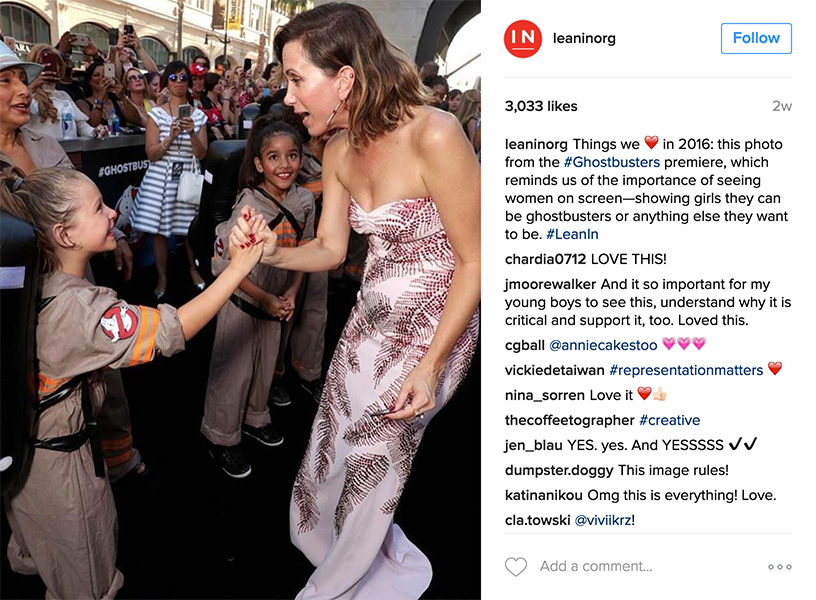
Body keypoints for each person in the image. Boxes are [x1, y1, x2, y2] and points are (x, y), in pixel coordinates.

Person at [238, 4, 481, 598]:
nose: (287, 95)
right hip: (370, 319)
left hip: (434, 333)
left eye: (297, 78)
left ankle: (341, 582)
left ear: (344, 78)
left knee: (376, 450)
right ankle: (325, 539)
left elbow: (478, 260)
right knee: (332, 431)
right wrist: (265, 252)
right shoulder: (340, 149)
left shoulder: (435, 134)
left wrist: (430, 368)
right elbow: (328, 249)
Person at [0, 165, 267, 599]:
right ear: (65, 235)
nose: (111, 212)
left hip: (25, 467)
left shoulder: (34, 283)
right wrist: (238, 269)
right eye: (98, 208)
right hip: (62, 474)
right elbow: (172, 329)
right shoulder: (77, 312)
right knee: (87, 576)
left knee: (41, 546)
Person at [201, 117, 314, 477]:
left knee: (265, 367)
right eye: (274, 158)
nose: (285, 165)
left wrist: (293, 291)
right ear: (259, 164)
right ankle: (221, 437)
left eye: (292, 156)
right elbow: (226, 268)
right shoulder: (247, 207)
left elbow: (306, 249)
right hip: (244, 300)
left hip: (277, 301)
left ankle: (254, 417)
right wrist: (263, 297)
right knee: (232, 371)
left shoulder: (303, 199)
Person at [128, 61, 209, 299]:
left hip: (187, 177)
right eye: (173, 78)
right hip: (160, 177)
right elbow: (151, 154)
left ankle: (194, 269)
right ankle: (162, 277)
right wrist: (171, 137)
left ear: (189, 82)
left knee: (189, 229)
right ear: (166, 82)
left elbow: (202, 153)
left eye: (184, 78)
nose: (179, 82)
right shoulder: (156, 115)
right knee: (160, 232)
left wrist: (192, 132)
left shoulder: (199, 117)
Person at [25, 45, 100, 139]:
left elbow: (81, 126)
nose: (50, 67)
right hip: (38, 151)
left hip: (67, 151)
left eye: (55, 64)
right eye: (42, 64)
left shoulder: (63, 95)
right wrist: (32, 87)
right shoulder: (26, 96)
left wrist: (95, 132)